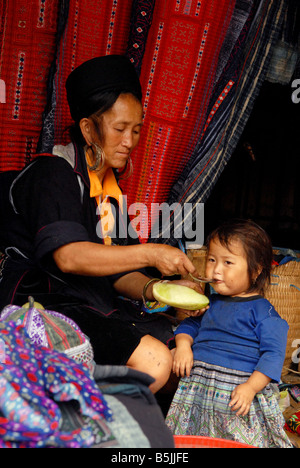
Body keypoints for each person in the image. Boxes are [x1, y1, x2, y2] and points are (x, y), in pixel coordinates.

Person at [0, 55, 202, 394]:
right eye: (120, 129)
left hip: (88, 302)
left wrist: (158, 290)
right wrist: (152, 253)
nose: (130, 141)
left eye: (136, 130)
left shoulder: (110, 190)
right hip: (39, 304)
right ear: (88, 128)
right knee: (153, 360)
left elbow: (119, 272)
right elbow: (69, 257)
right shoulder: (54, 173)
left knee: (174, 345)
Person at [166, 219, 293, 448]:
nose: (216, 269)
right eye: (212, 260)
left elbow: (272, 355)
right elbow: (188, 326)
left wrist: (251, 388)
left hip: (237, 392)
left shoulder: (264, 313)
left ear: (255, 270)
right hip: (199, 390)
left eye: (227, 262)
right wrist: (183, 346)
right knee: (194, 440)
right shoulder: (208, 303)